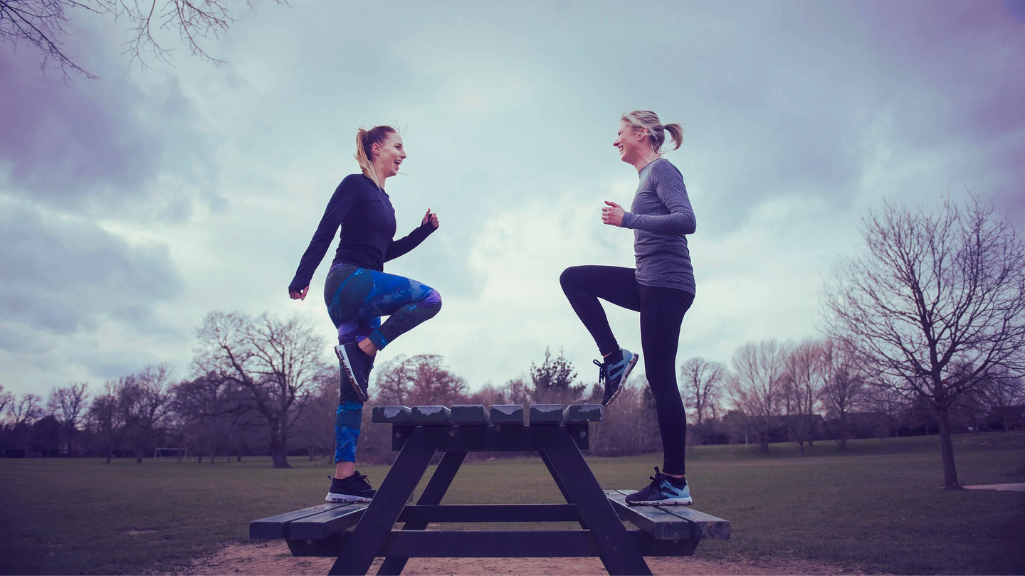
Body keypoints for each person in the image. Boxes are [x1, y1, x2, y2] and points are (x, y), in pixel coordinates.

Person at [288, 125, 442, 503]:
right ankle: (365, 348)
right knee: (430, 299)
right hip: (346, 283)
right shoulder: (354, 185)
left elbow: (382, 254)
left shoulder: (384, 201)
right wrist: (301, 277)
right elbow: (325, 231)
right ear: (376, 149)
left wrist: (422, 233)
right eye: (398, 146)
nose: (404, 154)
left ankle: (343, 479)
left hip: (364, 296)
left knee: (352, 393)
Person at [559, 110, 696, 506]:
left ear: (640, 133)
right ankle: (614, 357)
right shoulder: (645, 177)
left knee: (661, 378)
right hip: (648, 280)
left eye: (619, 133)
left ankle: (674, 482)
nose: (615, 140)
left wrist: (628, 219)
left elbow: (687, 220)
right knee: (574, 278)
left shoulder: (662, 171)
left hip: (666, 285)